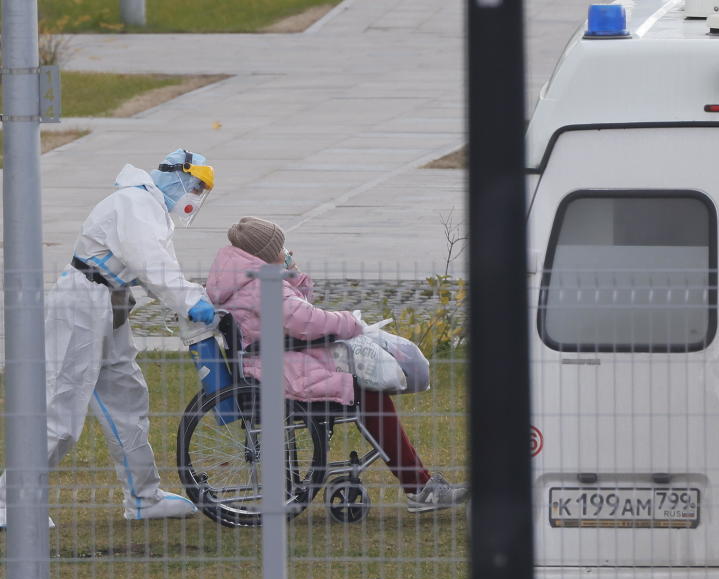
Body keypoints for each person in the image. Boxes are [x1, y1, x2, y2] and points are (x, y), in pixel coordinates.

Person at [0, 149, 218, 528]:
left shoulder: (151, 210)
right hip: (81, 305)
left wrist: (191, 303)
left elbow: (160, 269)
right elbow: (150, 263)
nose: (195, 197)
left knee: (128, 400)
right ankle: (11, 501)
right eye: (196, 187)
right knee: (60, 407)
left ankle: (143, 497)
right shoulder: (134, 204)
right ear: (177, 176)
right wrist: (189, 300)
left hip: (110, 303)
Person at [205, 216, 468, 513]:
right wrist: (350, 322)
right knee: (369, 393)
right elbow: (305, 321)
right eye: (281, 247)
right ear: (265, 254)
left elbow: (292, 313)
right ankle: (419, 487)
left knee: (364, 388)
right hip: (282, 370)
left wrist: (290, 275)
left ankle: (418, 483)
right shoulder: (259, 285)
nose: (285, 251)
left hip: (277, 363)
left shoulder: (248, 279)